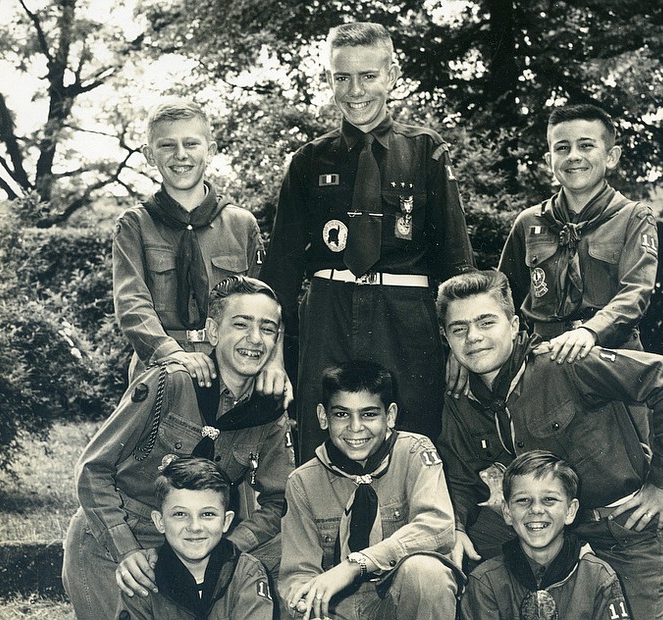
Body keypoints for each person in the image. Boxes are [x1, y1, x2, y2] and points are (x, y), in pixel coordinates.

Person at [259, 22, 474, 462]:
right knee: (323, 435)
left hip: (404, 318)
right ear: (329, 80)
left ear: (391, 76)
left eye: (368, 76)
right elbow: (280, 269)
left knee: (412, 435)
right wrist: (273, 355)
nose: (355, 90)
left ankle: (413, 528)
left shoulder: (426, 151)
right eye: (342, 77)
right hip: (328, 312)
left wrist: (461, 347)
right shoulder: (308, 161)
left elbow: (455, 261)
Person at [436, 270, 663, 620]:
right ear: (446, 337)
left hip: (619, 527)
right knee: (463, 545)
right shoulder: (462, 398)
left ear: (514, 326)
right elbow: (459, 474)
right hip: (543, 529)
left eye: (486, 322)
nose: (474, 338)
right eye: (459, 328)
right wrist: (456, 529)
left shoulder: (562, 363)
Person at [63, 276, 296, 620]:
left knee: (291, 562)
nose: (254, 339)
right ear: (214, 332)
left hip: (199, 539)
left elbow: (280, 499)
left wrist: (233, 544)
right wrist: (126, 550)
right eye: (241, 324)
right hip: (125, 534)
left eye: (267, 329)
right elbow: (93, 470)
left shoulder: (267, 411)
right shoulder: (170, 382)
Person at [113, 97, 287, 402]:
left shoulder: (241, 224)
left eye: (191, 144)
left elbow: (267, 306)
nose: (180, 155)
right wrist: (173, 354)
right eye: (167, 145)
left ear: (211, 151)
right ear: (149, 155)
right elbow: (132, 306)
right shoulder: (135, 225)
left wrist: (274, 362)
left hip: (232, 368)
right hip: (159, 370)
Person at [278, 361, 462, 620]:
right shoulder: (303, 482)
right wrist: (304, 603)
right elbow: (297, 573)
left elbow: (437, 526)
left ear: (390, 416)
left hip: (397, 604)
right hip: (338, 611)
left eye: (369, 414)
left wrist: (356, 565)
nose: (355, 427)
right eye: (341, 414)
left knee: (427, 572)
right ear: (323, 416)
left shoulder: (414, 453)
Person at [497, 103, 659, 364]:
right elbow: (502, 298)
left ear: (611, 156)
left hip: (613, 357)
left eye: (586, 145)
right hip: (543, 359)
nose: (573, 156)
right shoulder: (529, 222)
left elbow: (636, 292)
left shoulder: (633, 217)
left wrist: (590, 331)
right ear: (550, 161)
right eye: (562, 147)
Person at [461, 450, 630, 620]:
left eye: (549, 499)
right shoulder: (486, 581)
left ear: (570, 511)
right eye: (523, 500)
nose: (536, 509)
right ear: (507, 511)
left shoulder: (598, 577)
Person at [115, 456, 274, 619]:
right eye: (180, 514)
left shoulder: (246, 572)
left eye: (207, 514)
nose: (195, 527)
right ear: (160, 521)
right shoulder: (142, 578)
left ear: (226, 522)